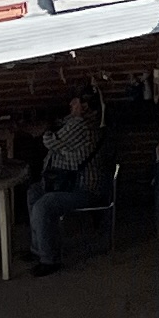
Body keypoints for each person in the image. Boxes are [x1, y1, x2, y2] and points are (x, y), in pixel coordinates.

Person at [24, 89, 105, 272]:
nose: (70, 105)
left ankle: (49, 261)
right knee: (34, 193)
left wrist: (48, 132)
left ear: (84, 107)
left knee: (43, 205)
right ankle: (38, 249)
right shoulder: (74, 121)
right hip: (65, 183)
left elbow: (50, 141)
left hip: (81, 188)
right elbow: (61, 131)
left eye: (74, 103)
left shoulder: (82, 124)